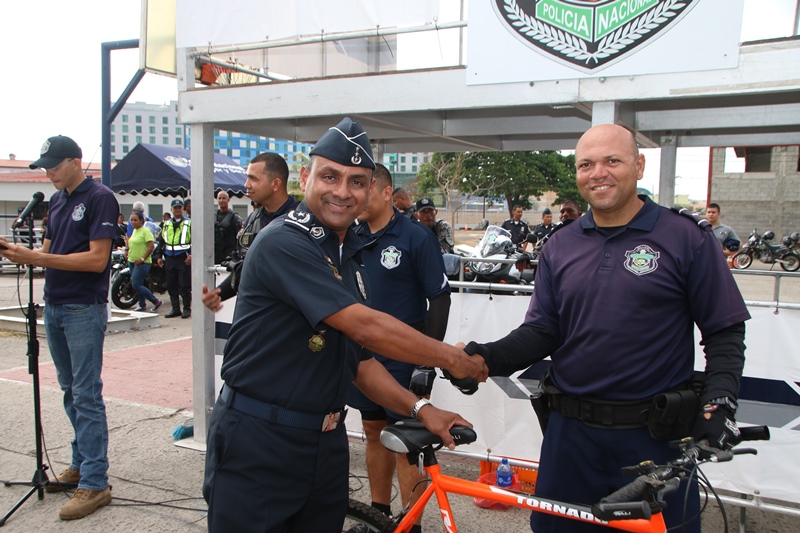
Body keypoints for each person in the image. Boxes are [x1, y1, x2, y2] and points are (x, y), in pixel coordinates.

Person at [202, 118, 487, 533]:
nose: (342, 191)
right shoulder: (285, 241)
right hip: (260, 440)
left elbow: (360, 361)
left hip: (325, 443)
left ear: (370, 190)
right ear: (305, 178)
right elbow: (366, 327)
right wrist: (454, 360)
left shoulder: (347, 252)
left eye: (356, 182)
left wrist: (422, 410)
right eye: (330, 176)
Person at [462, 124, 750, 533]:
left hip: (655, 441)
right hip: (570, 440)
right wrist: (484, 357)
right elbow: (543, 331)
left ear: (639, 166)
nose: (598, 173)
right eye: (586, 164)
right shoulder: (560, 245)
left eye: (612, 161)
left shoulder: (686, 237)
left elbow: (725, 331)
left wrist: (720, 402)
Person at [0, 135, 117, 520]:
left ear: (75, 162)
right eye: (45, 167)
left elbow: (97, 260)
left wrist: (37, 257)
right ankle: (81, 463)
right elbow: (48, 252)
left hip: (83, 307)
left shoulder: (99, 197)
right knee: (70, 390)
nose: (49, 172)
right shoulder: (56, 200)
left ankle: (96, 482)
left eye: (54, 165)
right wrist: (22, 254)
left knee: (86, 393)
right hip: (54, 304)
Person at [348, 164, 451, 531]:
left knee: (408, 443)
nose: (357, 197)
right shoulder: (350, 235)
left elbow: (439, 298)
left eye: (365, 189)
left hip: (404, 358)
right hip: (364, 356)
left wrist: (427, 360)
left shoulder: (415, 236)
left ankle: (410, 525)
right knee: (374, 431)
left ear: (387, 192)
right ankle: (379, 517)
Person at [201, 152, 299, 311]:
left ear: (275, 184)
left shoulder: (302, 221)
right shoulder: (252, 220)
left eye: (253, 179)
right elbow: (245, 268)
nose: (246, 184)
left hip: (287, 315)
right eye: (247, 178)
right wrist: (218, 294)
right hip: (254, 314)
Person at [156, 198, 192, 318]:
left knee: (184, 285)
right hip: (169, 258)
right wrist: (159, 256)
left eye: (179, 207)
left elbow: (195, 240)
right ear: (171, 209)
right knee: (171, 285)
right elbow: (161, 241)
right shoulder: (166, 224)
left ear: (183, 209)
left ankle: (186, 308)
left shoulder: (189, 223)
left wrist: (191, 255)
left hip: (183, 258)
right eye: (175, 208)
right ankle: (175, 309)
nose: (177, 210)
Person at [126, 211, 162, 312]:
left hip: (143, 262)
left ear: (141, 220)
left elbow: (151, 246)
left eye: (135, 220)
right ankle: (142, 304)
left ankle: (156, 301)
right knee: (139, 284)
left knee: (136, 284)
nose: (133, 222)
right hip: (132, 261)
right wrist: (127, 251)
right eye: (131, 220)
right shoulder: (134, 231)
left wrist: (142, 259)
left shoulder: (146, 231)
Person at [213, 190, 243, 264]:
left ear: (228, 200)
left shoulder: (234, 217)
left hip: (229, 256)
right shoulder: (213, 216)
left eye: (224, 198)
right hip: (215, 255)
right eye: (219, 198)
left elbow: (240, 234)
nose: (221, 200)